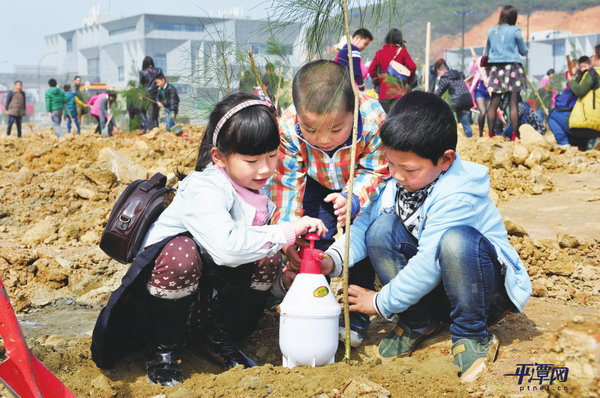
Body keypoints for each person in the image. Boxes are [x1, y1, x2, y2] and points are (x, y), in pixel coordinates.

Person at [91, 92, 327, 386]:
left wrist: (281, 283)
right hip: (159, 304)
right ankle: (163, 351)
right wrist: (287, 231)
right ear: (219, 157)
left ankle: (219, 338)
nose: (265, 169)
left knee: (268, 251)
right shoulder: (204, 188)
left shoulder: (255, 192)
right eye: (252, 160)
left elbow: (248, 256)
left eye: (272, 155)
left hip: (207, 298)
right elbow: (228, 249)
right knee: (182, 251)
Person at [320, 91, 531, 383]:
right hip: (435, 291)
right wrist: (331, 260)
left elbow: (429, 263)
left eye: (408, 169)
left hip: (480, 293)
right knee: (380, 228)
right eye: (390, 164)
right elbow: (362, 226)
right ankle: (419, 321)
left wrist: (380, 302)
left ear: (445, 160)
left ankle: (471, 333)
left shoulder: (458, 194)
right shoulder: (396, 183)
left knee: (456, 241)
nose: (395, 175)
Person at [268, 60, 389, 347]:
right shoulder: (286, 126)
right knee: (311, 239)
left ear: (353, 110)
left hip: (358, 182)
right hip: (313, 180)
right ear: (298, 115)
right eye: (310, 129)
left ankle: (354, 311)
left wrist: (355, 198)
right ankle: (311, 305)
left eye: (336, 130)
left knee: (357, 239)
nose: (322, 139)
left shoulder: (372, 119)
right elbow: (286, 182)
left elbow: (376, 169)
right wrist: (288, 236)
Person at [484, 5, 528, 140]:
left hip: (496, 69)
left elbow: (487, 52)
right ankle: (515, 135)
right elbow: (523, 51)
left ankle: (490, 134)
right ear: (514, 17)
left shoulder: (491, 31)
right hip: (513, 68)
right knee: (512, 103)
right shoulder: (515, 30)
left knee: (494, 102)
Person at [368, 28, 416, 113]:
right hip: (399, 91)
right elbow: (412, 67)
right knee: (399, 120)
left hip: (384, 93)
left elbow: (371, 70)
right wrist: (407, 80)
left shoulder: (379, 53)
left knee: (386, 119)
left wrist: (380, 80)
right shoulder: (402, 52)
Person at [568, 45, 600, 151]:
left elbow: (579, 91)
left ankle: (592, 142)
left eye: (592, 55)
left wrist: (571, 80)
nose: (591, 58)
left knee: (570, 130)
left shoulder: (593, 73)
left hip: (590, 119)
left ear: (597, 57)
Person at [434, 59, 474, 138]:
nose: (438, 75)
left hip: (457, 101)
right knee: (466, 122)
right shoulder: (458, 75)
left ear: (441, 70)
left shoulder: (445, 78)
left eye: (438, 72)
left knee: (447, 117)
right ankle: (470, 137)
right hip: (467, 98)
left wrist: (431, 99)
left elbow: (439, 92)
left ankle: (448, 135)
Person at [467, 56, 491, 137]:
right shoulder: (479, 65)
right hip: (480, 89)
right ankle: (480, 133)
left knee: (489, 112)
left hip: (489, 90)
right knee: (483, 112)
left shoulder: (492, 67)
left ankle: (491, 132)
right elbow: (470, 70)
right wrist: (473, 62)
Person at [139, 56, 164, 129]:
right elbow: (163, 81)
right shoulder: (159, 70)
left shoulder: (142, 72)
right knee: (155, 114)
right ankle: (155, 128)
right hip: (158, 94)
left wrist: (141, 94)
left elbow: (141, 85)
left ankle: (147, 126)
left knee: (142, 111)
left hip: (147, 95)